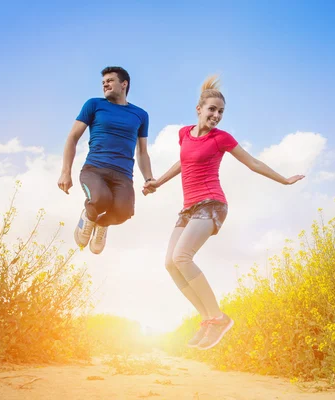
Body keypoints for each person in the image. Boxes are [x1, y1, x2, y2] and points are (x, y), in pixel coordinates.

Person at [142, 75, 305, 350]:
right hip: (188, 208)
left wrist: (284, 179)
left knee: (183, 256)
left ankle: (219, 317)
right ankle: (207, 319)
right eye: (212, 110)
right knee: (170, 263)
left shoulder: (222, 139)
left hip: (212, 204)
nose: (216, 116)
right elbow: (182, 162)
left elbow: (252, 162)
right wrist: (157, 182)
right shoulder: (184, 134)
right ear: (199, 109)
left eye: (220, 112)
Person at [58, 66, 154, 254]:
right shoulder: (94, 105)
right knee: (101, 199)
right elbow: (72, 138)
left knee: (124, 212)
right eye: (103, 82)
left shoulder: (140, 115)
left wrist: (149, 179)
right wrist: (65, 171)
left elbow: (142, 152)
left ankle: (101, 225)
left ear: (124, 84)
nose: (105, 84)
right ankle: (88, 216)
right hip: (94, 169)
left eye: (110, 81)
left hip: (123, 174)